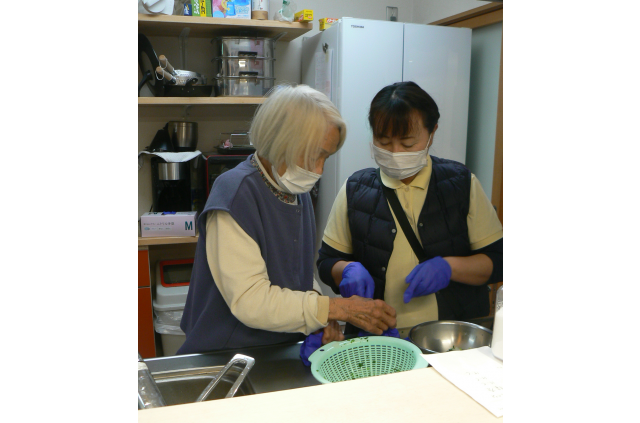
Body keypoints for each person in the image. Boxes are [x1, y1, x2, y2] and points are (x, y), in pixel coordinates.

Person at [177, 85, 397, 355]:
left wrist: (319, 316)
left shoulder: (296, 192)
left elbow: (296, 273)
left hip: (275, 349)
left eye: (326, 157)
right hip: (225, 352)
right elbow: (251, 300)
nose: (319, 169)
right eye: (313, 155)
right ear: (280, 140)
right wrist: (336, 308)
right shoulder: (235, 193)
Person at [316, 81, 503, 338]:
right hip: (378, 337)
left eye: (407, 143)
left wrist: (449, 268)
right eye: (383, 142)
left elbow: (498, 260)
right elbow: (326, 262)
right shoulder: (355, 189)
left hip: (449, 337)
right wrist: (345, 270)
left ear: (432, 133)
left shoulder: (461, 184)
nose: (395, 153)